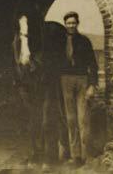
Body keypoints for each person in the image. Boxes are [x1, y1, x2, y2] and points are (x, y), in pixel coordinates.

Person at [12, 12, 68, 167]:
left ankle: (50, 158)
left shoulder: (43, 43)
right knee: (33, 120)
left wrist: (34, 64)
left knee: (47, 119)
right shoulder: (17, 40)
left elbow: (44, 60)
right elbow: (17, 61)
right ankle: (36, 154)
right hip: (26, 83)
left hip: (44, 81)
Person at [56, 12, 99, 166]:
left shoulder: (85, 41)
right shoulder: (59, 42)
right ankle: (76, 157)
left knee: (83, 119)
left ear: (77, 24)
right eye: (68, 23)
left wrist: (92, 85)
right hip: (65, 80)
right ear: (65, 24)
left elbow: (93, 64)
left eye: (73, 23)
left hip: (82, 80)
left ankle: (86, 156)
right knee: (71, 119)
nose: (71, 26)